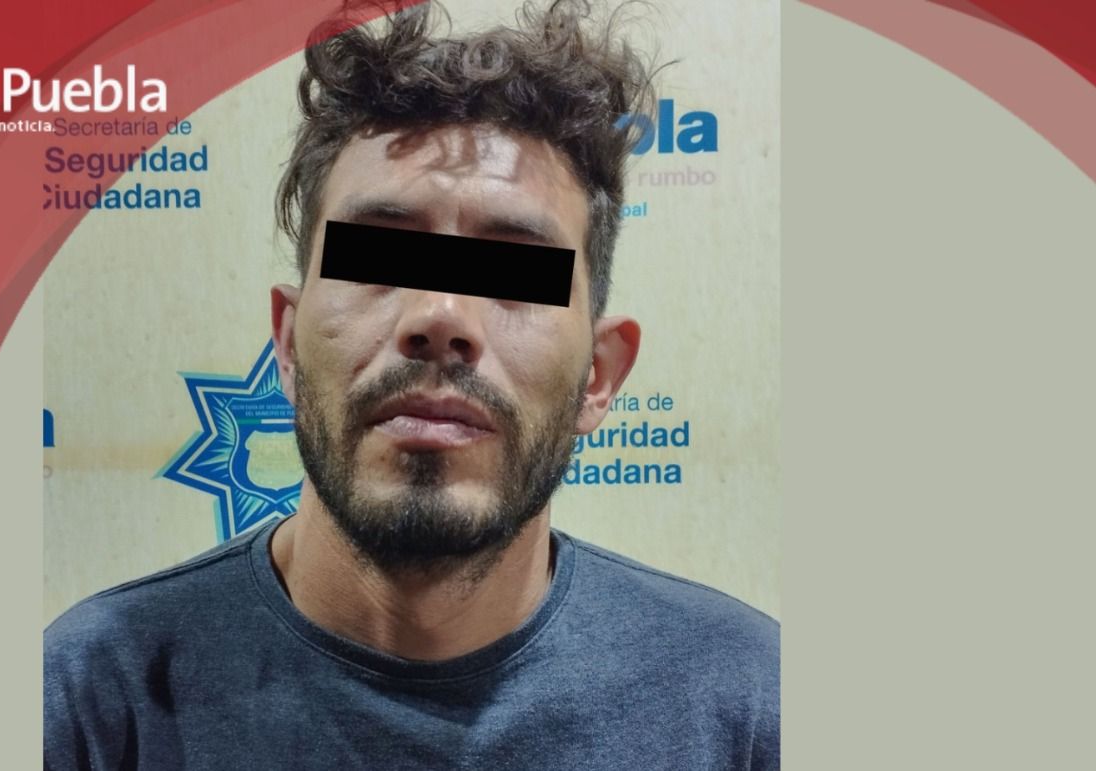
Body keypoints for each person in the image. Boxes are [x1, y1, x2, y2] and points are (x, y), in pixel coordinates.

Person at [44, 2, 779, 768]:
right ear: (288, 345)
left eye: (513, 272)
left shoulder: (749, 709)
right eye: (378, 257)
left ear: (597, 376)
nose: (440, 314)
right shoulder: (90, 703)